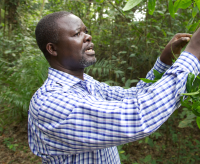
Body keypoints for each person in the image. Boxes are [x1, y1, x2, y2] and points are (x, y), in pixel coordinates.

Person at [28, 11, 200, 164]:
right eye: (77, 33)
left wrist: (165, 60)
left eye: (86, 31)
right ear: (52, 49)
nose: (88, 37)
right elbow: (137, 116)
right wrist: (193, 53)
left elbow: (135, 95)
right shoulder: (50, 102)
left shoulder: (87, 85)